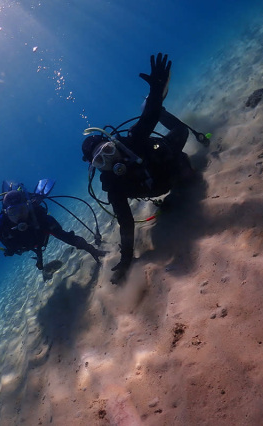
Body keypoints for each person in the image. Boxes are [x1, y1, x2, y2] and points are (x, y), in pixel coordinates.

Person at [81, 53, 208, 284]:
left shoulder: (132, 141)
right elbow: (126, 222)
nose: (109, 161)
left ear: (114, 144)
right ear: (95, 168)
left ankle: (162, 110)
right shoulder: (113, 187)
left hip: (169, 156)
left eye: (108, 151)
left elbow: (147, 120)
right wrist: (127, 259)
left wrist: (157, 92)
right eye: (101, 161)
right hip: (160, 184)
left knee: (182, 135)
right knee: (183, 187)